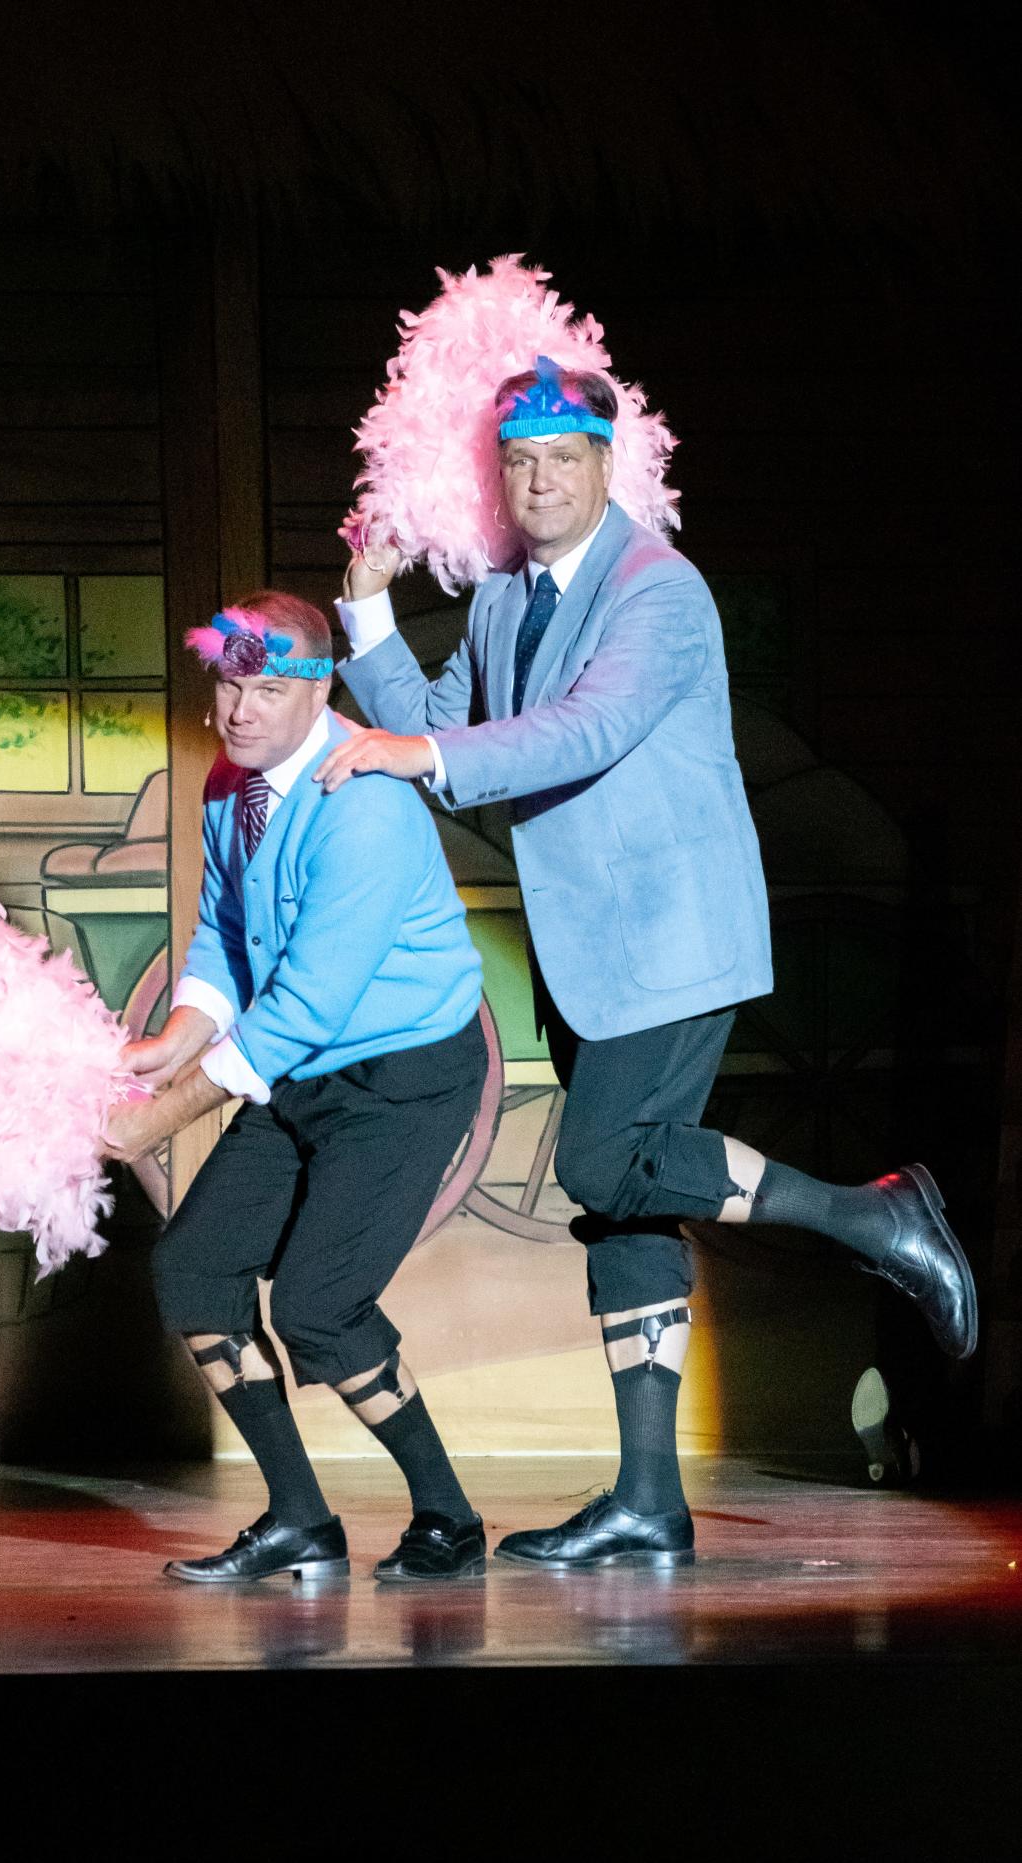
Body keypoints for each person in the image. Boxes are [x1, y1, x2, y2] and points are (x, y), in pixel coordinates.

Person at [319, 357, 977, 1570]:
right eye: (518, 463)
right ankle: (647, 1500)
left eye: (562, 460)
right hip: (585, 949)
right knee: (625, 1210)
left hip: (672, 938)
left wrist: (419, 757)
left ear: (606, 468)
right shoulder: (510, 598)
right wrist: (366, 616)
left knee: (598, 1160)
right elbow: (453, 729)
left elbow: (586, 729)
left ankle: (877, 1216)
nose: (538, 480)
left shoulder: (659, 591)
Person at [103, 591, 489, 1584]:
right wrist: (168, 1042)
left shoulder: (362, 806)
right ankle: (299, 1520)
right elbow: (226, 940)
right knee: (193, 1270)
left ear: (319, 688)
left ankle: (448, 1517)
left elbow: (304, 1006)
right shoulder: (230, 782)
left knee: (319, 1306)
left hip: (401, 1078)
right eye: (229, 683)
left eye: (268, 688)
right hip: (302, 1073)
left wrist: (156, 1118)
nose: (240, 710)